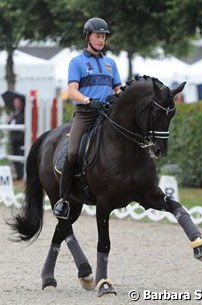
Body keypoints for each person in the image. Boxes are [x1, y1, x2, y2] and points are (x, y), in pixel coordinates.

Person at [53, 17, 122, 219]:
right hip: (86, 114)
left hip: (107, 113)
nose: (101, 40)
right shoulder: (77, 63)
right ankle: (63, 199)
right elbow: (72, 91)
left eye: (103, 37)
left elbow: (118, 88)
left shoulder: (111, 63)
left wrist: (119, 97)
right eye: (98, 36)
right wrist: (88, 100)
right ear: (88, 37)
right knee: (73, 152)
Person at [8, 96, 25, 180]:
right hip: (14, 140)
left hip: (20, 140)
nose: (16, 104)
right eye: (15, 103)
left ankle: (22, 174)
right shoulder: (15, 114)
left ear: (21, 103)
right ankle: (19, 174)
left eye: (17, 102)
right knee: (15, 158)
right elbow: (10, 124)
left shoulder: (23, 114)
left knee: (20, 157)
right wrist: (9, 119)